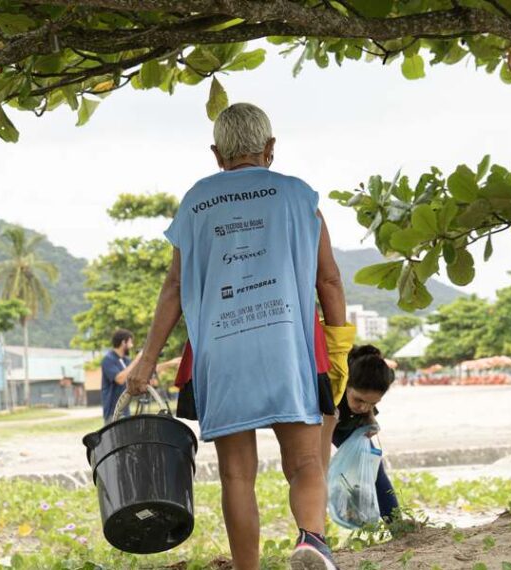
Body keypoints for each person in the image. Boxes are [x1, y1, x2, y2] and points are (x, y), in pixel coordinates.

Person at [127, 102, 348, 570]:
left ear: (216, 153)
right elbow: (327, 281)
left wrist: (147, 360)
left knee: (237, 475)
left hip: (221, 352)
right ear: (270, 149)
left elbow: (173, 287)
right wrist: (340, 342)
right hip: (290, 347)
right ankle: (311, 540)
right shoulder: (299, 196)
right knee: (305, 463)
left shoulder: (196, 202)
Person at [333, 345, 399, 524]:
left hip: (347, 422)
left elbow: (366, 406)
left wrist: (370, 418)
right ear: (346, 384)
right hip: (325, 418)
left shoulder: (366, 393)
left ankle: (396, 524)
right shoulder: (331, 390)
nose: (363, 407)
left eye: (371, 403)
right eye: (359, 400)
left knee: (374, 468)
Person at [100, 329, 181, 422]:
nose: (132, 346)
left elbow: (144, 371)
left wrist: (170, 363)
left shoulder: (126, 360)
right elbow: (120, 379)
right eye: (130, 342)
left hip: (125, 411)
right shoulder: (108, 359)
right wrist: (137, 359)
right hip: (112, 412)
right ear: (123, 342)